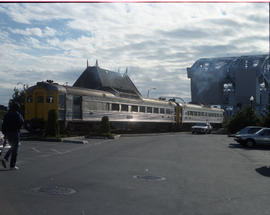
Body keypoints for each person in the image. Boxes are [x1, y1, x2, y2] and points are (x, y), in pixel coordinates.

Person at [1, 102, 24, 170]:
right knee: (15, 149)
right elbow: (21, 122)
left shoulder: (7, 115)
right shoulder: (17, 114)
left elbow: (3, 125)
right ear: (17, 108)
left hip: (8, 133)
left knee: (12, 147)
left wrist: (5, 134)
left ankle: (5, 159)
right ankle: (12, 165)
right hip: (15, 132)